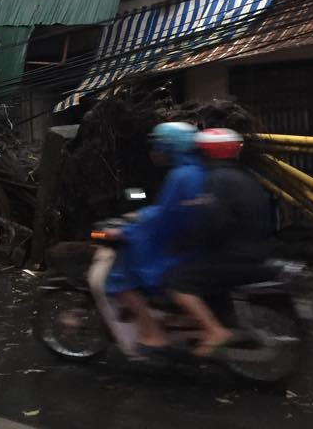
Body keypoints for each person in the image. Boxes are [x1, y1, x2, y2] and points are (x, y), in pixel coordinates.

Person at [165, 128, 274, 356]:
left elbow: (212, 221)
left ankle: (215, 331)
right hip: (257, 251)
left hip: (234, 257)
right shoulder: (245, 177)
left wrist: (184, 242)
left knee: (177, 282)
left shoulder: (217, 180)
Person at [105, 122, 205, 352]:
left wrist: (126, 231)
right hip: (192, 243)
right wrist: (141, 215)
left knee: (122, 279)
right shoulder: (195, 171)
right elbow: (167, 210)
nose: (155, 151)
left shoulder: (181, 176)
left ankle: (152, 334)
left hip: (178, 247)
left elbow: (164, 217)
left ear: (169, 147)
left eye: (158, 145)